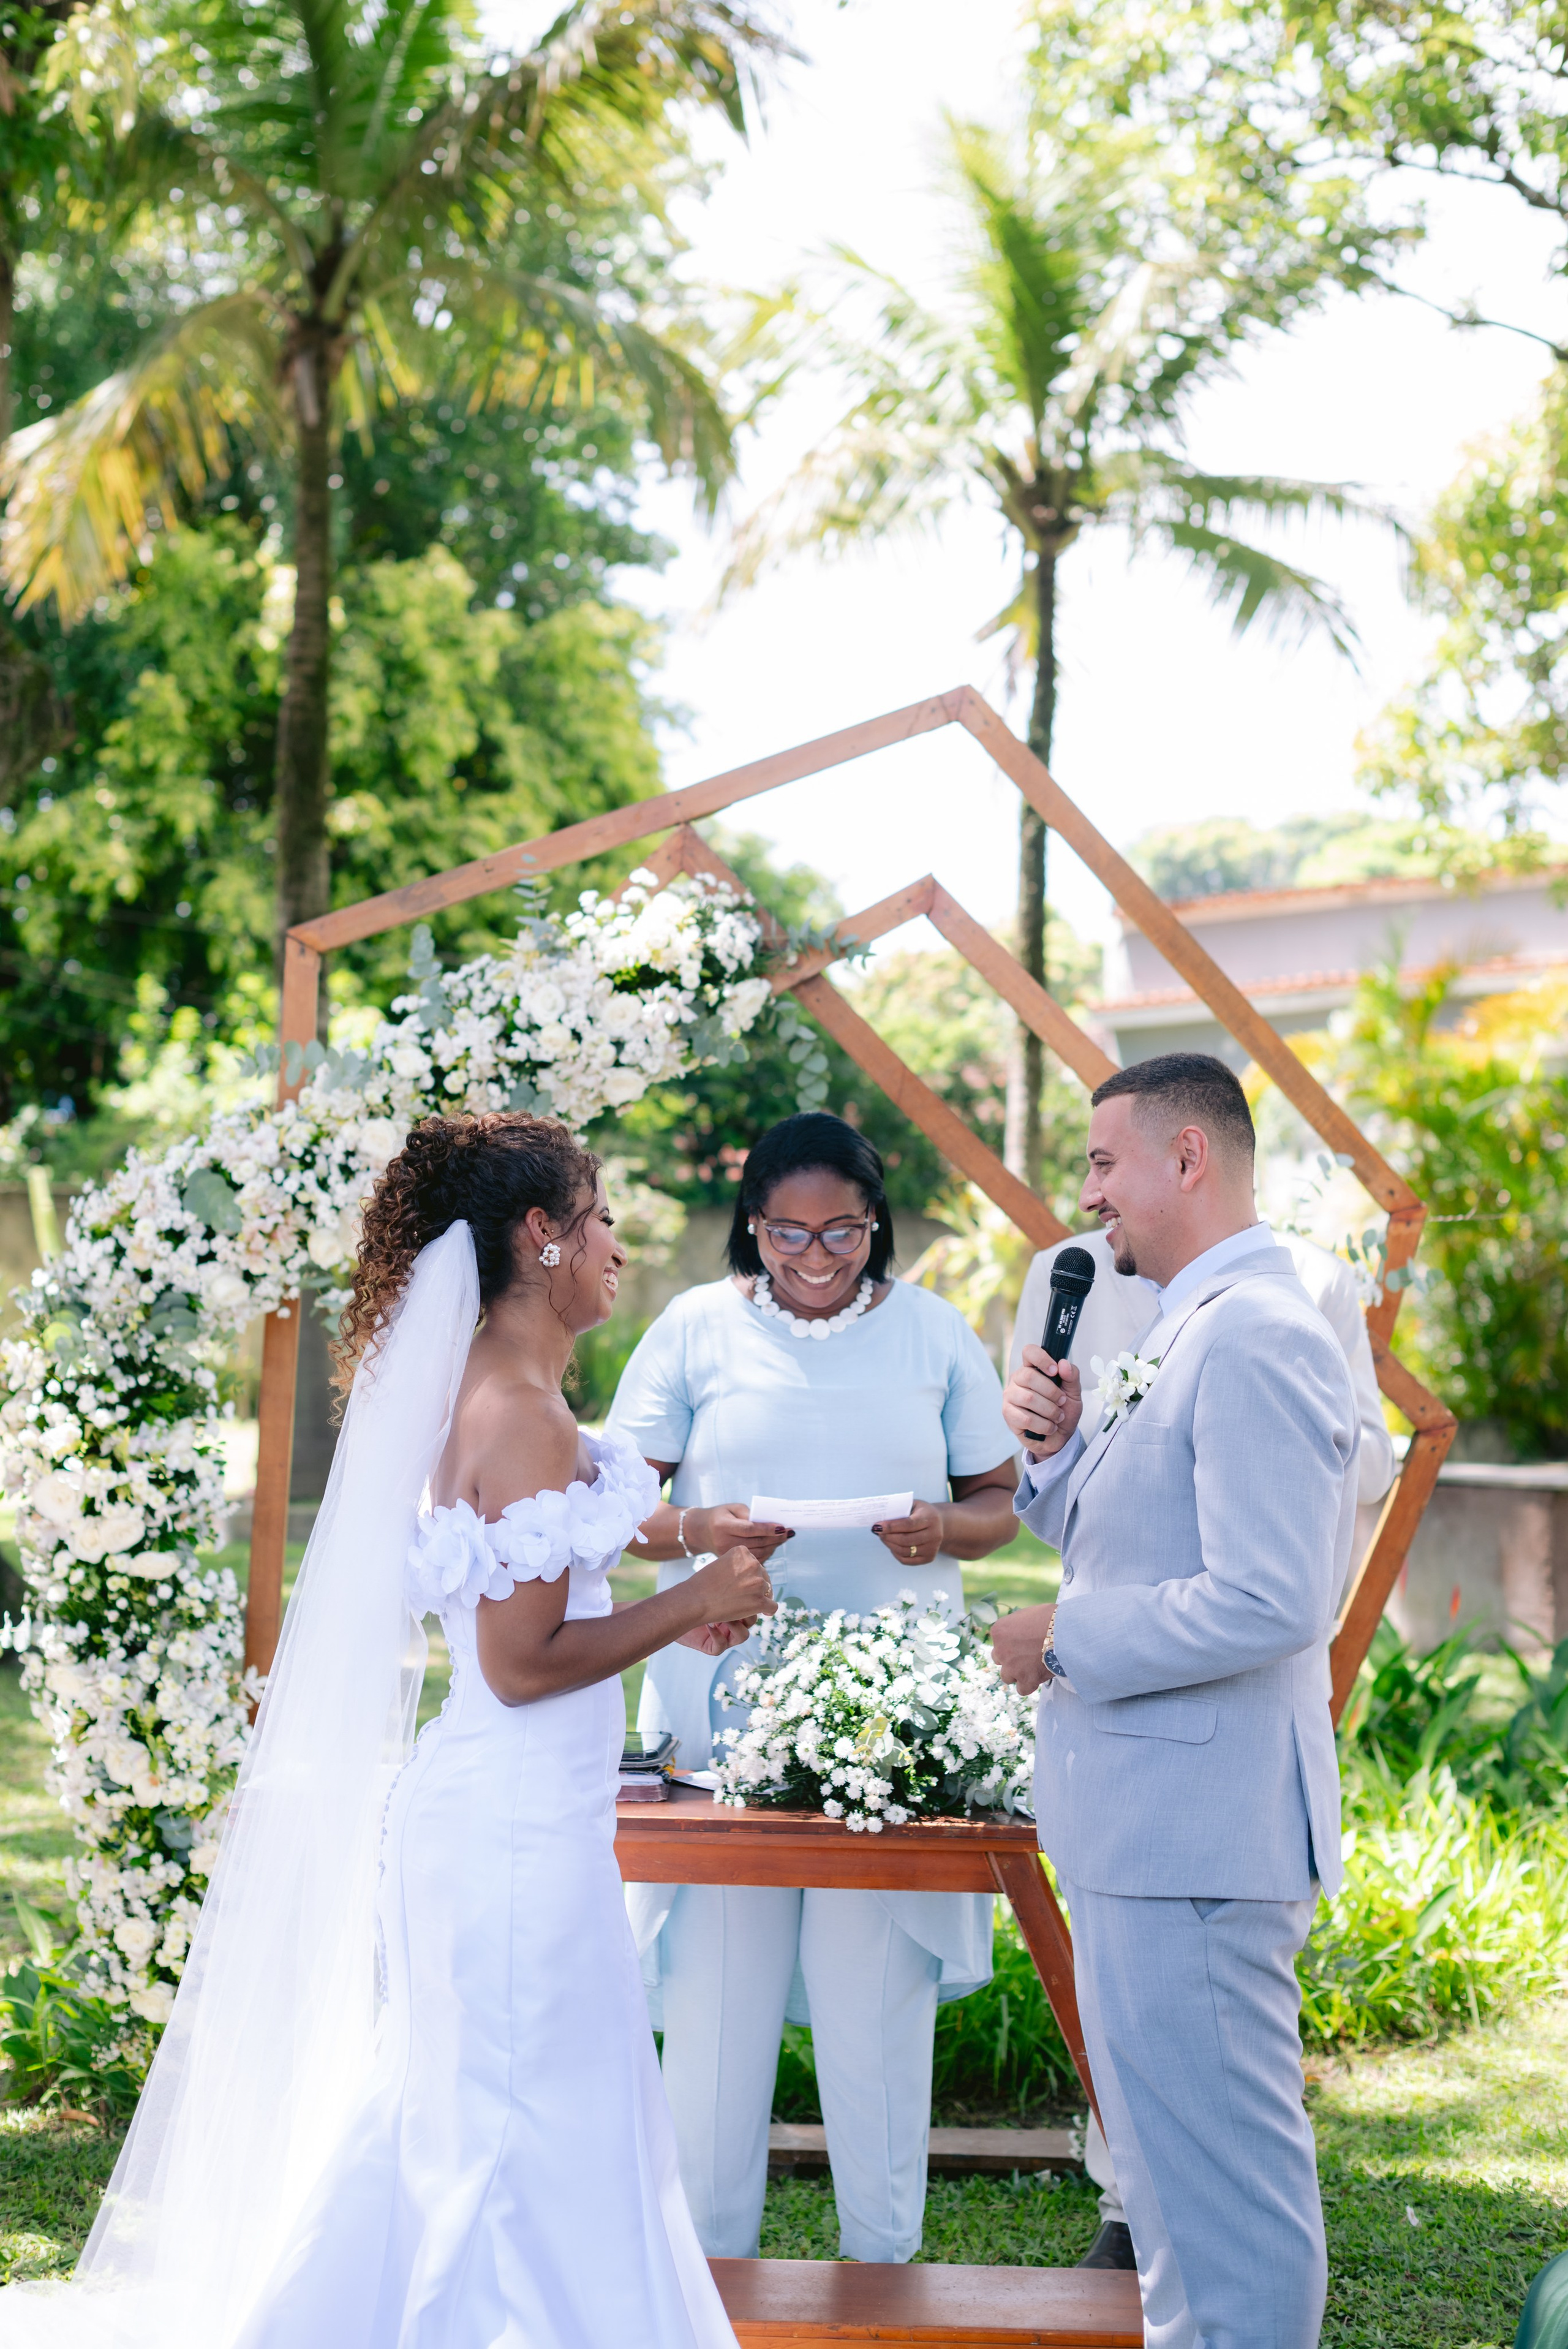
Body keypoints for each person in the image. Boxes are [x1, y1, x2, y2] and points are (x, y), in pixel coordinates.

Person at [13, 1113, 774, 2349]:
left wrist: (671, 1584)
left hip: (500, 1820)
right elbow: (519, 1664)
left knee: (484, 2118)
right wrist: (695, 1601)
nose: (617, 1247)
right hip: (512, 1833)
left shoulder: (498, 1393)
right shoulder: (518, 1411)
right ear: (540, 1238)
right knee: (524, 2132)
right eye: (599, 1220)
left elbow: (555, 1570)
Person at [606, 1112, 1019, 2267]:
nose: (817, 1253)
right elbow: (615, 1512)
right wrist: (700, 1527)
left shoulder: (934, 1332)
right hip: (720, 1724)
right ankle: (703, 2294)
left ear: (876, 1220)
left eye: (842, 1228)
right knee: (717, 2031)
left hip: (887, 1737)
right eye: (788, 1231)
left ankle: (883, 2280)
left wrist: (946, 1525)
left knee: (872, 2027)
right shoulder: (693, 1328)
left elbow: (998, 1499)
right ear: (752, 1223)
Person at [992, 1053, 1359, 2349]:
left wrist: (1062, 1637)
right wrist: (1056, 1454)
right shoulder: (1180, 1323)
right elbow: (1141, 1533)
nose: (1087, 1196)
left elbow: (1271, 1599)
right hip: (1144, 1828)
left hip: (1195, 1836)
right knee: (1170, 2214)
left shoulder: (1257, 1330)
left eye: (1102, 1164)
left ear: (1185, 1159)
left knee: (1230, 2213)